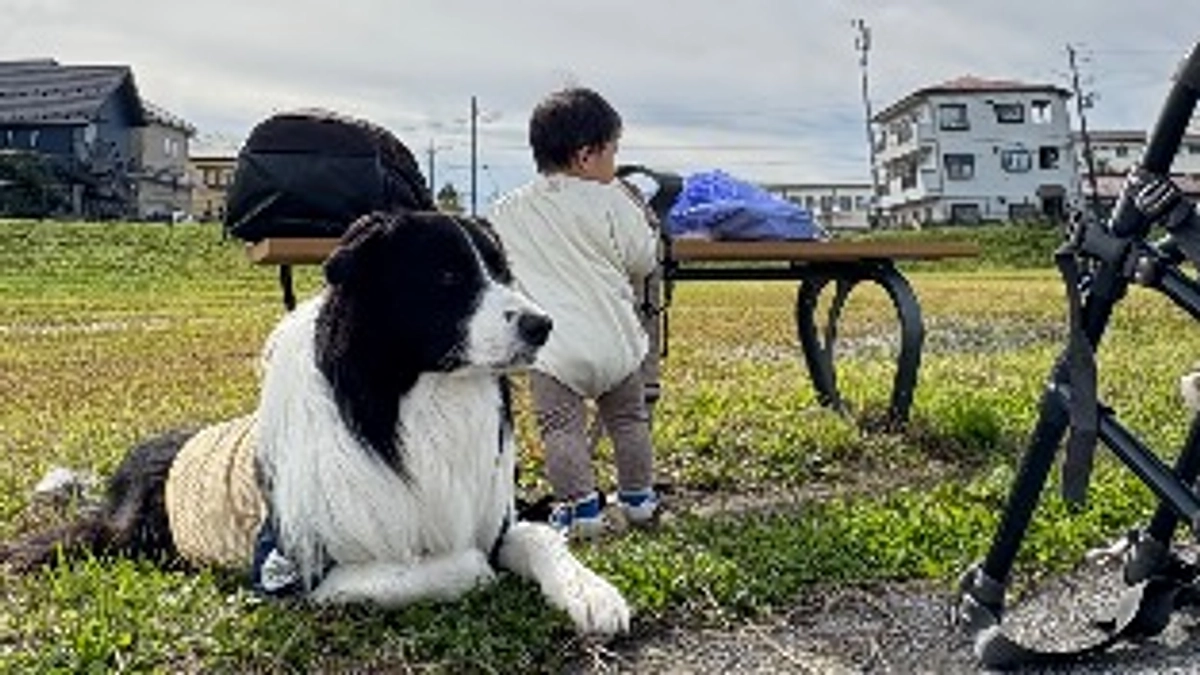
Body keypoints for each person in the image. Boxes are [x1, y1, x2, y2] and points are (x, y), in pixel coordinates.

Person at [489, 87, 660, 538]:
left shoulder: (508, 210)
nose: (614, 164)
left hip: (555, 352)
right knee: (629, 421)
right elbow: (644, 259)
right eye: (613, 151)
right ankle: (639, 499)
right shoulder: (613, 199)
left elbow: (497, 264)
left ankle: (581, 508)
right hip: (618, 343)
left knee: (560, 428)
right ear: (587, 155)